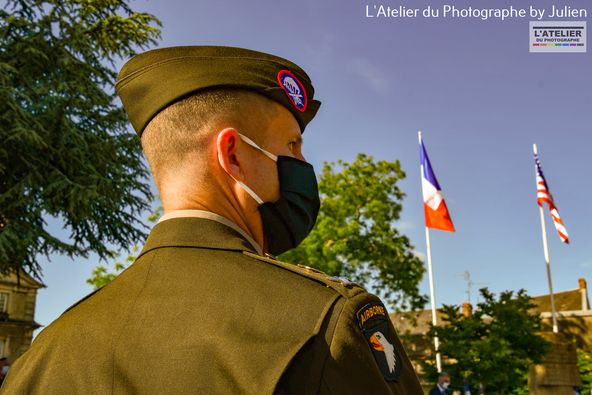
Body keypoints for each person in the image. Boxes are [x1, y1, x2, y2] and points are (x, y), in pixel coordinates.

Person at [1, 46, 423, 394]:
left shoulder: (40, 359)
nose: (302, 163)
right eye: (293, 144)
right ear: (234, 155)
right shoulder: (327, 326)